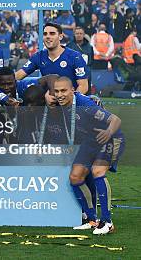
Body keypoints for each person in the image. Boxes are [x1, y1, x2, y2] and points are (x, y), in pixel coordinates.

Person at [51, 77, 125, 235]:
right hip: (91, 141)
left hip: (109, 137)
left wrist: (108, 132)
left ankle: (107, 222)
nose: (59, 94)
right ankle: (92, 220)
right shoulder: (60, 105)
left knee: (97, 171)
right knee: (75, 178)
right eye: (56, 91)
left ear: (73, 90)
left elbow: (115, 120)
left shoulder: (85, 104)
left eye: (63, 91)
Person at [16, 23, 89, 95]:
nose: (48, 36)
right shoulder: (38, 56)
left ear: (60, 37)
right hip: (48, 101)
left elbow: (83, 86)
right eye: (45, 34)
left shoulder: (75, 57)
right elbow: (18, 75)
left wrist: (69, 101)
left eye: (52, 33)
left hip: (70, 102)